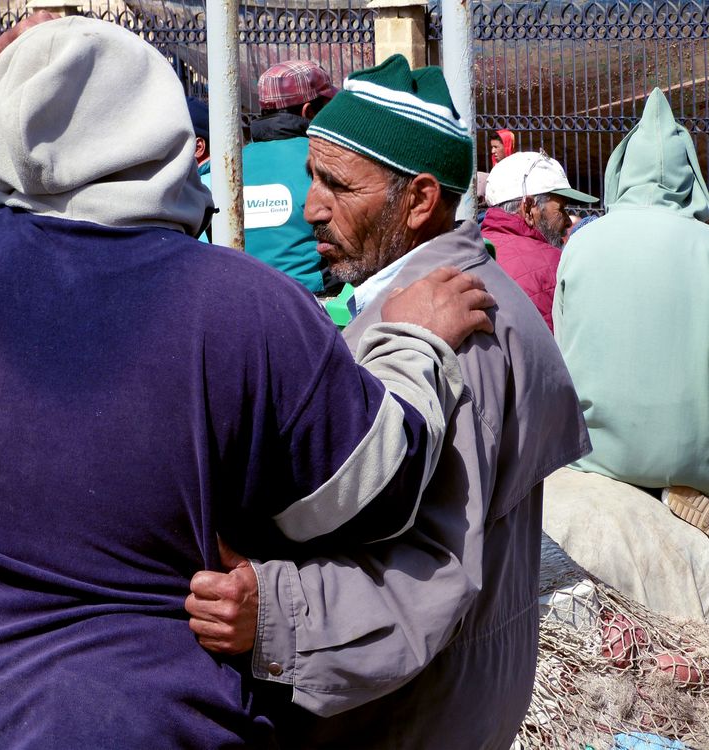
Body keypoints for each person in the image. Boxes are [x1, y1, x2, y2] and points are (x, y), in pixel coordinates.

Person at [0, 17, 495, 749]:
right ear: (169, 135)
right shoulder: (242, 308)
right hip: (151, 722)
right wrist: (413, 341)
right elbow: (378, 491)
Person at [185, 54, 590, 749]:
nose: (312, 206)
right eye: (313, 179)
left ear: (420, 200)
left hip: (410, 722)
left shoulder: (458, 335)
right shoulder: (428, 302)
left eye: (337, 186)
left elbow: (426, 576)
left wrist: (270, 616)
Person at [545, 88, 709, 620]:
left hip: (600, 458)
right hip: (696, 467)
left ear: (620, 173)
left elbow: (564, 348)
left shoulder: (583, 244)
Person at [240, 60, 338, 293]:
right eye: (327, 106)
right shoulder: (325, 160)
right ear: (308, 111)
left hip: (241, 296)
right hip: (312, 298)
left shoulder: (230, 167)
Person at [481, 151, 597, 331]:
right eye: (561, 209)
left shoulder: (472, 250)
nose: (567, 221)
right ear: (528, 208)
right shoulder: (555, 263)